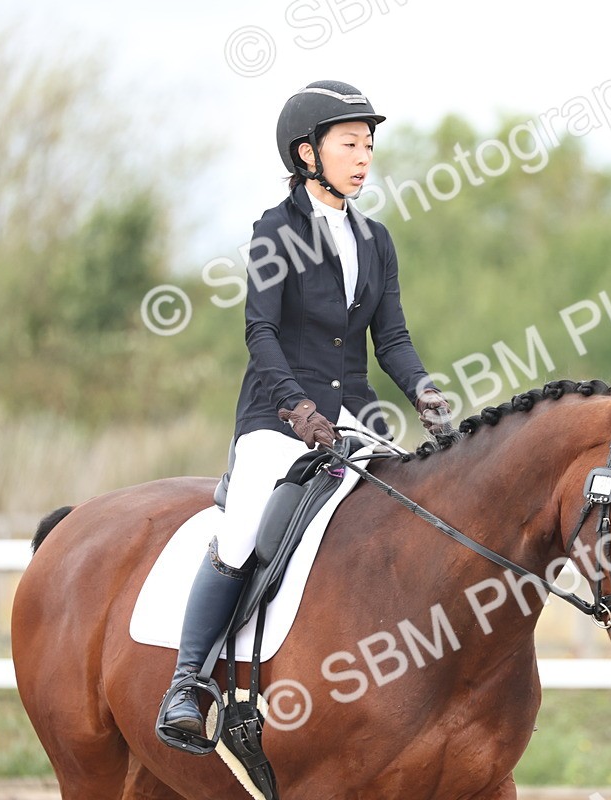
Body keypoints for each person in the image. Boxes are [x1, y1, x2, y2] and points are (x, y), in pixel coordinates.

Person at [157, 79, 451, 739]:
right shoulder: (275, 230)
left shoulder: (375, 239)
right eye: (349, 144)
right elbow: (260, 332)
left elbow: (392, 340)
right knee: (240, 536)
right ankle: (186, 684)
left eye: (368, 145)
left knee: (405, 516)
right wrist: (296, 408)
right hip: (276, 420)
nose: (364, 157)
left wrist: (426, 394)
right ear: (307, 153)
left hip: (355, 420)